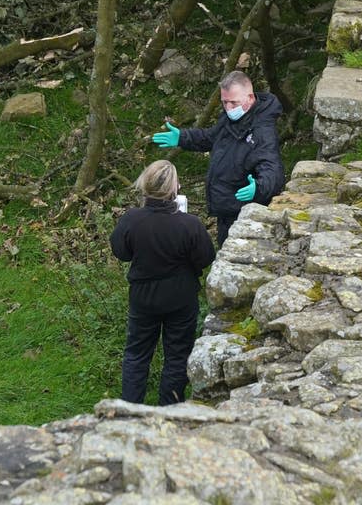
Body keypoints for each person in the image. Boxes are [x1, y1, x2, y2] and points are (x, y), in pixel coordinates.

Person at [110, 159, 215, 406]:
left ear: (145, 185)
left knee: (136, 354)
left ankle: (130, 409)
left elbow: (121, 252)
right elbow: (206, 257)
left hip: (143, 296)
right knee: (177, 356)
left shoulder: (131, 220)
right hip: (180, 296)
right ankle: (170, 410)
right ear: (175, 187)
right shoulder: (189, 224)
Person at [152, 70, 285, 246]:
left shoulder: (262, 131)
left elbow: (272, 168)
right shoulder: (232, 119)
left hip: (242, 211)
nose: (229, 108)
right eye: (224, 102)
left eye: (233, 102)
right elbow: (211, 137)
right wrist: (183, 137)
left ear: (250, 98)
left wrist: (260, 188)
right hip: (225, 207)